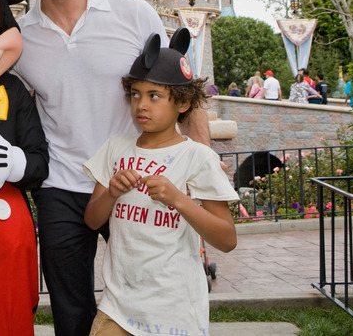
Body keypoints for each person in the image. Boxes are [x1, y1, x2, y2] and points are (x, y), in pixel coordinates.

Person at [11, 0, 211, 335]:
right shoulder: (20, 39)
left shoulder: (133, 14)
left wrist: (201, 173)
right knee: (71, 308)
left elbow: (184, 95)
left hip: (135, 178)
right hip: (62, 185)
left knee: (152, 295)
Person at [83, 43, 238, 336]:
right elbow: (92, 220)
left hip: (175, 312)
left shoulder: (197, 157)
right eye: (135, 95)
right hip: (117, 308)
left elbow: (227, 239)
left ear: (182, 103)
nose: (141, 105)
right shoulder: (116, 147)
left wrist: (178, 199)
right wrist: (112, 193)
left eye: (154, 96)